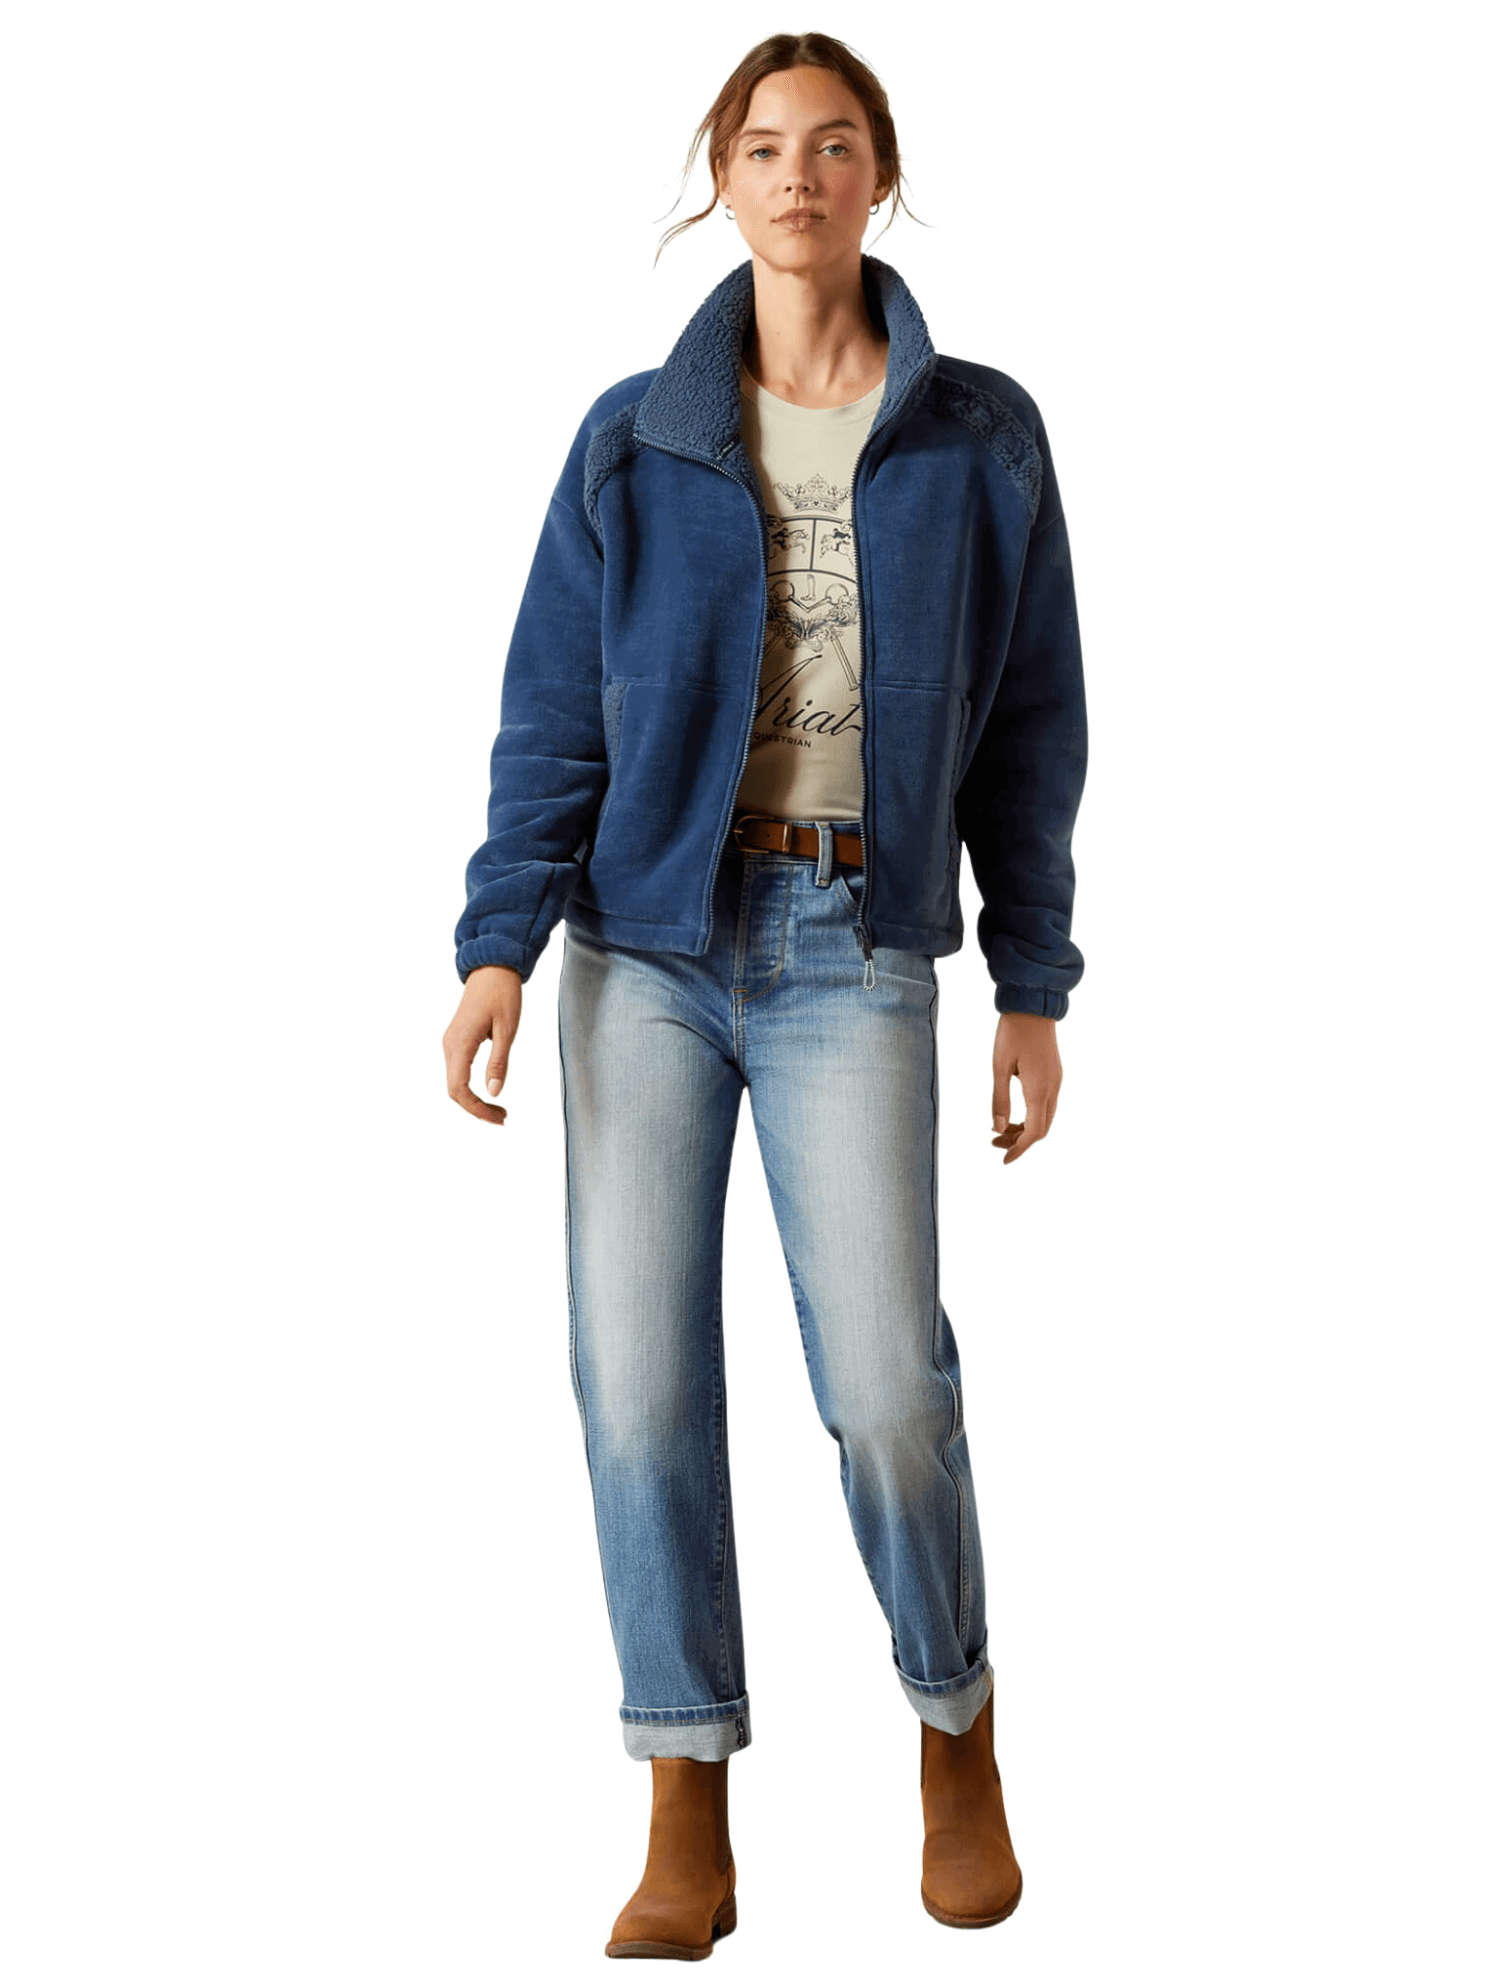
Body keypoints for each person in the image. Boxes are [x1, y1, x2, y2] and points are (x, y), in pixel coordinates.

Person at [444, 32, 1087, 1960]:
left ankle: (954, 1725)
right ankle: (684, 1794)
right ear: (719, 181)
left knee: (885, 1384)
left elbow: (1033, 721)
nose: (797, 174)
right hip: (642, 947)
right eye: (761, 144)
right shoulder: (633, 438)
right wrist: (497, 943)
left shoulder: (979, 438)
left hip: (852, 943)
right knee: (636, 1385)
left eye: (833, 143)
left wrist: (1032, 976)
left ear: (879, 176)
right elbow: (552, 711)